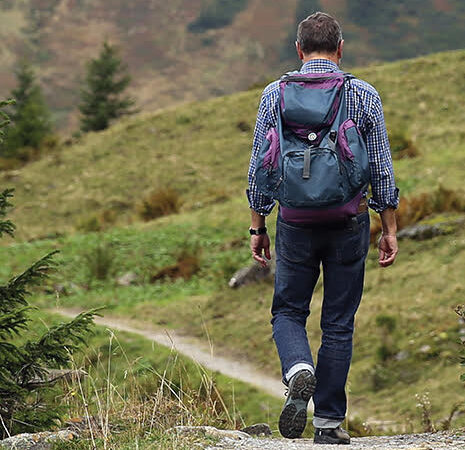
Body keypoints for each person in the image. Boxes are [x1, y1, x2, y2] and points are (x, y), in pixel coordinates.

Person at [246, 12, 399, 445]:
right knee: (338, 322)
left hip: (294, 221)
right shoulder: (363, 94)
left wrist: (258, 224)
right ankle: (328, 424)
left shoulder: (274, 94)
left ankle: (298, 369)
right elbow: (382, 169)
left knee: (288, 311)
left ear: (298, 50)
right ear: (340, 48)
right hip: (349, 220)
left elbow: (261, 164)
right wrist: (388, 227)